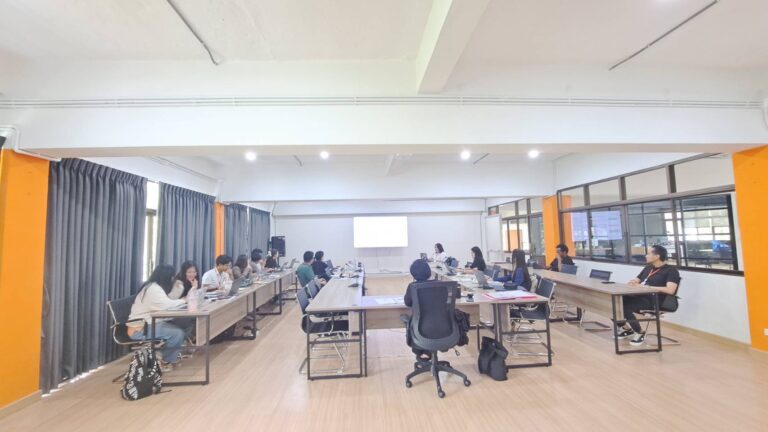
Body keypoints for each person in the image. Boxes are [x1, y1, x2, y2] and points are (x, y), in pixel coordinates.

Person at [127, 265, 188, 369]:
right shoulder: (153, 289)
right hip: (140, 329)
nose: (173, 280)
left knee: (182, 325)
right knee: (177, 333)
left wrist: (180, 293)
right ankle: (166, 361)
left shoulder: (154, 287)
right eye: (172, 277)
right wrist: (184, 300)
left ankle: (163, 354)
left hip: (148, 323)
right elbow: (166, 305)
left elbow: (168, 301)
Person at [618, 245, 680, 346]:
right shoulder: (648, 267)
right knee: (616, 301)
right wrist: (633, 282)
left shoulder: (671, 271)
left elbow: (670, 290)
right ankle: (626, 329)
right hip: (643, 296)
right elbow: (637, 280)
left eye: (648, 253)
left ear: (657, 256)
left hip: (657, 300)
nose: (645, 256)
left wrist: (648, 287)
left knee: (625, 306)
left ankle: (640, 332)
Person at [403, 259, 443, 361]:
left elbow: (408, 303)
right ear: (429, 272)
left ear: (413, 275)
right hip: (444, 327)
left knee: (416, 323)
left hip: (421, 328)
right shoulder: (441, 285)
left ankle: (421, 351)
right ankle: (429, 352)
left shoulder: (412, 287)